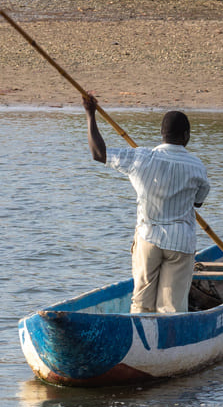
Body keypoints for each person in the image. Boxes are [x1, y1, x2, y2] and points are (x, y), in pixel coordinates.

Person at [80, 92, 211, 314]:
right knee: (171, 308)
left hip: (147, 239)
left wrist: (90, 115)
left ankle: (142, 339)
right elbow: (198, 203)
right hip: (180, 243)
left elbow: (98, 153)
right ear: (187, 136)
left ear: (161, 134)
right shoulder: (197, 166)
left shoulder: (141, 158)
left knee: (141, 304)